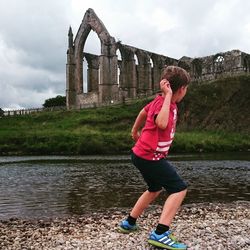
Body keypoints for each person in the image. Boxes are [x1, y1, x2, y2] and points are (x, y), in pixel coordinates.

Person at [118, 66, 191, 250]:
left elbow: (143, 112)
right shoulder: (163, 103)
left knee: (155, 188)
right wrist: (167, 97)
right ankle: (160, 233)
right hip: (150, 156)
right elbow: (161, 122)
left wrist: (134, 130)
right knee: (179, 189)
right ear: (181, 89)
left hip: (141, 154)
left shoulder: (159, 102)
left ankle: (129, 222)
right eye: (186, 89)